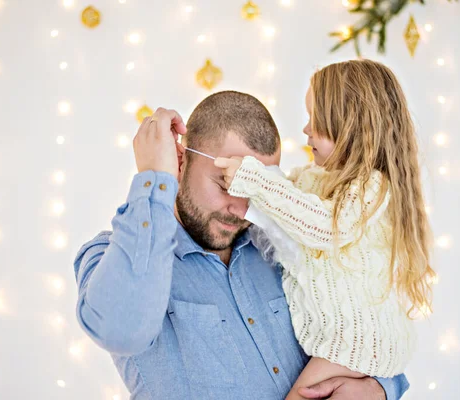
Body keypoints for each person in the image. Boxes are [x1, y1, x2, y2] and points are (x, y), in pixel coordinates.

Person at [73, 90, 409, 399]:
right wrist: (153, 179)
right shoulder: (111, 256)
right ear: (179, 160)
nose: (241, 207)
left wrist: (379, 389)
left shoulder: (283, 247)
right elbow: (120, 332)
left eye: (252, 189)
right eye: (224, 183)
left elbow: (367, 325)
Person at [214, 60, 435, 399]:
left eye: (316, 122)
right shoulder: (313, 179)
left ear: (350, 129)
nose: (306, 131)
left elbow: (325, 228)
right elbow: (284, 211)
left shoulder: (372, 187)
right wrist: (251, 192)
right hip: (336, 343)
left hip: (357, 341)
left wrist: (255, 179)